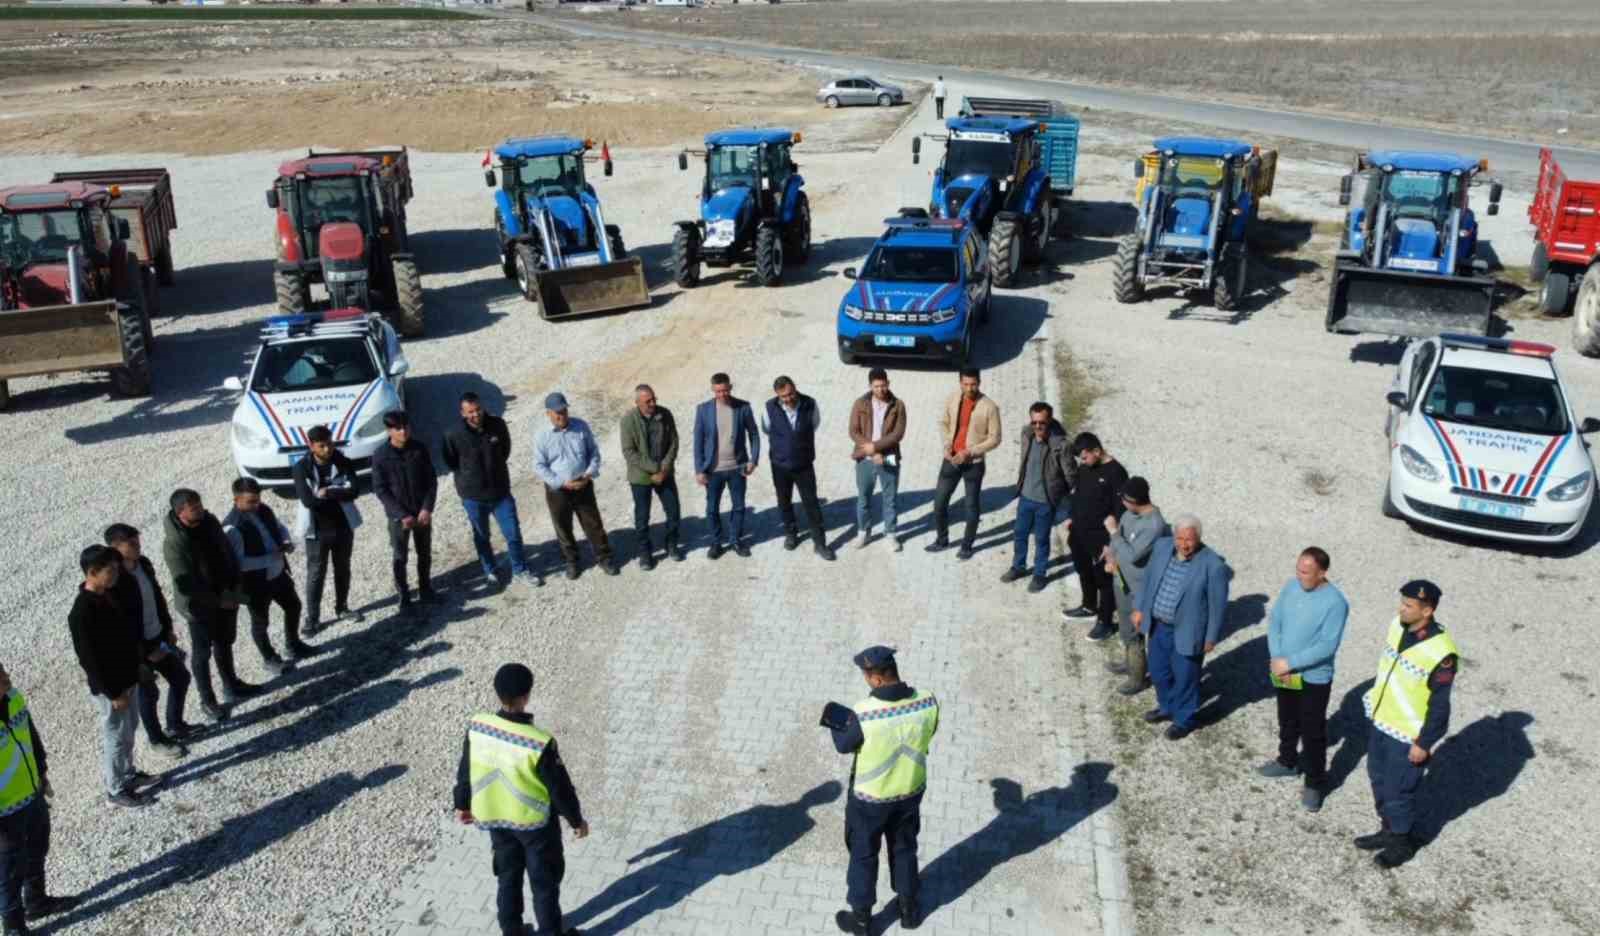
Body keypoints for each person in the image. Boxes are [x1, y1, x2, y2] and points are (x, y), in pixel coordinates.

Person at [453, 663, 590, 936]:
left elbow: (465, 769)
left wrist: (462, 804)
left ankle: (512, 931)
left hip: (494, 819)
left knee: (507, 878)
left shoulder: (478, 726)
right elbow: (559, 789)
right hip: (535, 827)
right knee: (544, 884)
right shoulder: (539, 742)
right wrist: (576, 820)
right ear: (526, 696)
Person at [825, 646, 939, 935]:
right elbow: (930, 731)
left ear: (876, 680)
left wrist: (834, 723)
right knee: (904, 847)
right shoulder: (928, 701)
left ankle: (862, 920)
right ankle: (909, 910)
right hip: (911, 791)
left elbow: (843, 745)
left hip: (871, 800)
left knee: (864, 853)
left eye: (865, 675)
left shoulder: (862, 713)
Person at [1356, 580, 1459, 869]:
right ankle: (1388, 829)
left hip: (1407, 734)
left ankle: (1402, 842)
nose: (1401, 608)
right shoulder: (1398, 625)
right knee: (1377, 778)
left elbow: (1440, 706)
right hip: (1382, 721)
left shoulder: (1442, 652)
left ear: (1427, 611)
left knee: (1398, 789)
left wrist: (1424, 743)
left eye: (1408, 605)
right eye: (1402, 602)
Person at [68, 545, 160, 809]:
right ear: (92, 572)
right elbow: (90, 660)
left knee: (128, 731)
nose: (116, 574)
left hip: (127, 680)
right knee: (116, 736)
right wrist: (113, 693)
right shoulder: (82, 612)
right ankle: (115, 789)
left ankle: (128, 774)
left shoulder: (107, 596)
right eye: (110, 570)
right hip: (113, 689)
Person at [1260, 547, 1349, 813]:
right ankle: (1287, 761)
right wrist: (1278, 658)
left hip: (1312, 678)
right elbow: (1275, 621)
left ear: (1322, 573)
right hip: (1284, 671)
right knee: (1286, 718)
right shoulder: (1291, 587)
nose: (1300, 576)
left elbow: (1327, 646)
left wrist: (1291, 662)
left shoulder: (1336, 603)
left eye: (1306, 572)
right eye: (1298, 570)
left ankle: (1314, 781)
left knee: (1312, 731)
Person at [163, 489, 258, 723]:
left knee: (225, 641)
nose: (200, 509)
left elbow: (227, 551)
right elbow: (186, 583)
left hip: (226, 594)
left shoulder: (210, 521)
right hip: (199, 606)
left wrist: (235, 585)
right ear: (180, 512)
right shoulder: (174, 543)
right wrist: (217, 600)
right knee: (202, 652)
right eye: (194, 507)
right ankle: (208, 700)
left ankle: (231, 684)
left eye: (199, 504)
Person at [1131, 516, 1229, 741]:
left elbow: (1217, 605)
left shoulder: (1213, 565)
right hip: (1157, 627)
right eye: (1180, 538)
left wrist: (1211, 636)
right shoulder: (1162, 547)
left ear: (1199, 539)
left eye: (1190, 540)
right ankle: (1167, 707)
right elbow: (1148, 580)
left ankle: (1184, 719)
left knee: (1186, 678)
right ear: (1173, 536)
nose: (1184, 544)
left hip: (1188, 630)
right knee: (1158, 672)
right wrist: (1139, 607)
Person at [0, 662, 81, 934]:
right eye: (0, 674)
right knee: (9, 869)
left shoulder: (13, 698)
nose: (7, 675)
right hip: (4, 812)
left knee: (38, 847)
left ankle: (36, 901)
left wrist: (42, 771)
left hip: (32, 794)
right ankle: (13, 927)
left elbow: (31, 737)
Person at [104, 524, 197, 757]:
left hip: (157, 637)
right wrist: (143, 654)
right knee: (148, 692)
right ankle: (157, 740)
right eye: (132, 543)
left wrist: (167, 629)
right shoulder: (115, 580)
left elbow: (157, 597)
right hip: (137, 649)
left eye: (138, 541)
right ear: (115, 547)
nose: (138, 547)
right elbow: (120, 624)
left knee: (180, 677)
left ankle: (175, 725)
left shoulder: (143, 564)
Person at [443, 392, 541, 589]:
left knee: (513, 533)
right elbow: (451, 462)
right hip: (473, 497)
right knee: (482, 536)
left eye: (478, 409)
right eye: (470, 412)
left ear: (482, 407)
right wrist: (470, 479)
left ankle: (520, 570)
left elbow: (505, 451)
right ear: (462, 413)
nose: (476, 415)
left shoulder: (498, 425)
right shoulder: (452, 434)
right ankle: (490, 570)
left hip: (500, 493)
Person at [223, 477, 309, 674]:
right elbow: (240, 563)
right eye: (250, 501)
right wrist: (271, 558)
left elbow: (279, 527)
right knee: (261, 622)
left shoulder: (264, 510)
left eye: (257, 499)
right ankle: (269, 658)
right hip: (255, 585)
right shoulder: (232, 528)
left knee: (293, 606)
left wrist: (286, 540)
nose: (256, 504)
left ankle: (293, 644)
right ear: (236, 500)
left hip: (278, 575)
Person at [533, 392, 617, 580]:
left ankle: (604, 557)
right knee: (563, 526)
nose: (562, 415)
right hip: (558, 490)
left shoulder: (580, 426)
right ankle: (572, 561)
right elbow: (539, 466)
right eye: (557, 413)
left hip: (583, 484)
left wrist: (588, 474)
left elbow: (593, 452)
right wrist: (562, 482)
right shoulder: (542, 436)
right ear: (548, 413)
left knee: (593, 523)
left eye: (564, 410)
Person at [1101, 478, 1168, 695]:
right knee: (1126, 629)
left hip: (1138, 590)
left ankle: (1137, 678)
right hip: (1122, 581)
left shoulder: (1154, 525)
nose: (1121, 503)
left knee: (1135, 632)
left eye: (1123, 499)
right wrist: (1111, 554)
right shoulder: (1129, 514)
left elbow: (1132, 555)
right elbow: (1119, 542)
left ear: (1133, 500)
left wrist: (1112, 533)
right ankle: (1130, 661)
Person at [292, 425, 362, 633]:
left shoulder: (343, 461)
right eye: (322, 446)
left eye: (330, 444)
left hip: (342, 528)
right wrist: (340, 492)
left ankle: (342, 608)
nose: (327, 449)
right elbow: (308, 501)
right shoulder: (301, 468)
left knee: (343, 568)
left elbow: (355, 491)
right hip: (317, 532)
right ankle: (313, 618)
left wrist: (328, 492)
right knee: (316, 574)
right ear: (311, 446)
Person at [1061, 433, 1130, 641]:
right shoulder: (1086, 468)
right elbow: (1078, 494)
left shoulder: (1117, 473)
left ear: (1097, 451)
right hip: (1080, 532)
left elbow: (1121, 512)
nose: (1082, 462)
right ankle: (1089, 606)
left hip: (1101, 538)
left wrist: (1112, 544)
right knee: (1084, 571)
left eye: (1084, 457)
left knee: (1105, 580)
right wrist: (1071, 518)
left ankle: (1105, 622)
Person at [759, 376, 836, 561]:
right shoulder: (769, 408)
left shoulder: (810, 404)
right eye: (784, 396)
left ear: (795, 388)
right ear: (777, 395)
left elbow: (814, 424)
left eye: (791, 393)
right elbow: (766, 429)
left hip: (804, 465)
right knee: (784, 501)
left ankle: (820, 543)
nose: (789, 398)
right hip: (780, 465)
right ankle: (791, 534)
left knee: (811, 504)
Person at [1001, 402, 1073, 593]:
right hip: (1025, 497)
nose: (1037, 427)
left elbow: (1071, 476)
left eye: (1042, 423)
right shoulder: (1027, 435)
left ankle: (1040, 574)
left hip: (1045, 502)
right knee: (1020, 534)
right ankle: (1018, 566)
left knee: (1041, 539)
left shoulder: (1061, 445)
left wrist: (1059, 497)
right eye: (1034, 422)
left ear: (1049, 420)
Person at [928, 368, 1000, 559]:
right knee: (939, 503)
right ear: (960, 382)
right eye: (966, 384)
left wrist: (970, 452)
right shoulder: (953, 398)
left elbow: (995, 438)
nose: (970, 388)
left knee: (971, 506)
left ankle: (967, 545)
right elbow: (943, 422)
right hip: (950, 459)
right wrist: (946, 444)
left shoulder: (990, 407)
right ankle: (942, 540)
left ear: (979, 382)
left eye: (973, 384)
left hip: (973, 464)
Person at [371, 410, 440, 609]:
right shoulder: (380, 456)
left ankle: (426, 588)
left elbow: (431, 481)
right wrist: (401, 514)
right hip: (399, 518)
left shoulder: (419, 449)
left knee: (424, 553)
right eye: (398, 428)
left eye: (406, 426)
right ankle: (404, 595)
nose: (403, 432)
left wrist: (427, 508)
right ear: (389, 431)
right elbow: (381, 490)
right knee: (400, 557)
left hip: (421, 514)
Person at [692, 372, 760, 559]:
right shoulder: (703, 410)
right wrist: (699, 469)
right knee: (712, 509)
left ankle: (735, 540)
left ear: (731, 387)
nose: (722, 394)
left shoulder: (742, 407)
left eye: (725, 390)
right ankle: (716, 543)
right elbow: (697, 442)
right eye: (718, 391)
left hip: (738, 468)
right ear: (713, 390)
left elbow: (754, 434)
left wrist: (753, 459)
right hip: (713, 470)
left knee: (738, 506)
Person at [619, 384, 683, 570]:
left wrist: (664, 469)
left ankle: (671, 544)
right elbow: (629, 452)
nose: (653, 403)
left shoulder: (665, 414)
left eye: (654, 399)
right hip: (641, 476)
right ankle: (645, 553)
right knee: (642, 516)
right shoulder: (628, 421)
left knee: (673, 511)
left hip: (665, 473)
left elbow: (674, 442)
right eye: (648, 401)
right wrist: (654, 468)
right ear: (637, 402)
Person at [848, 368, 906, 551]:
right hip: (865, 457)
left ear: (889, 383)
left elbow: (898, 433)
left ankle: (890, 534)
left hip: (889, 458)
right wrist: (873, 451)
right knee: (863, 497)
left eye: (883, 385)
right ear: (870, 386)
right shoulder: (860, 403)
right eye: (876, 386)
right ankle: (863, 532)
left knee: (890, 498)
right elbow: (853, 431)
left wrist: (878, 448)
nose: (880, 389)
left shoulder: (898, 405)